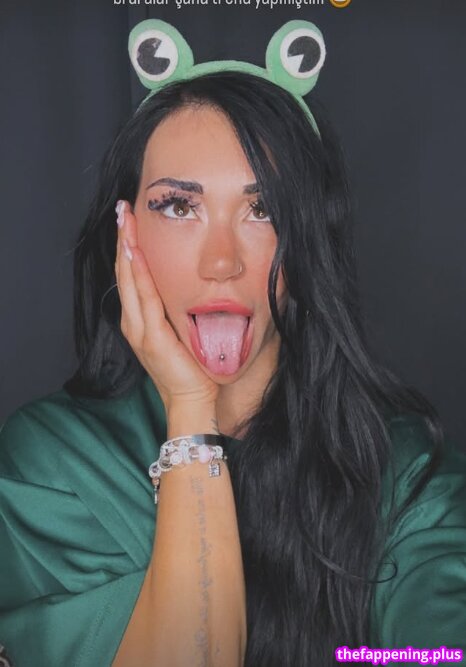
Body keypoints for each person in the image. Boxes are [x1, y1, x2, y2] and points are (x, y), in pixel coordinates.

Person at [0, 19, 465, 667]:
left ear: (310, 241)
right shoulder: (53, 466)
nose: (222, 262)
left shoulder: (403, 471)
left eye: (263, 208)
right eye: (179, 206)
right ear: (126, 234)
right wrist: (191, 408)